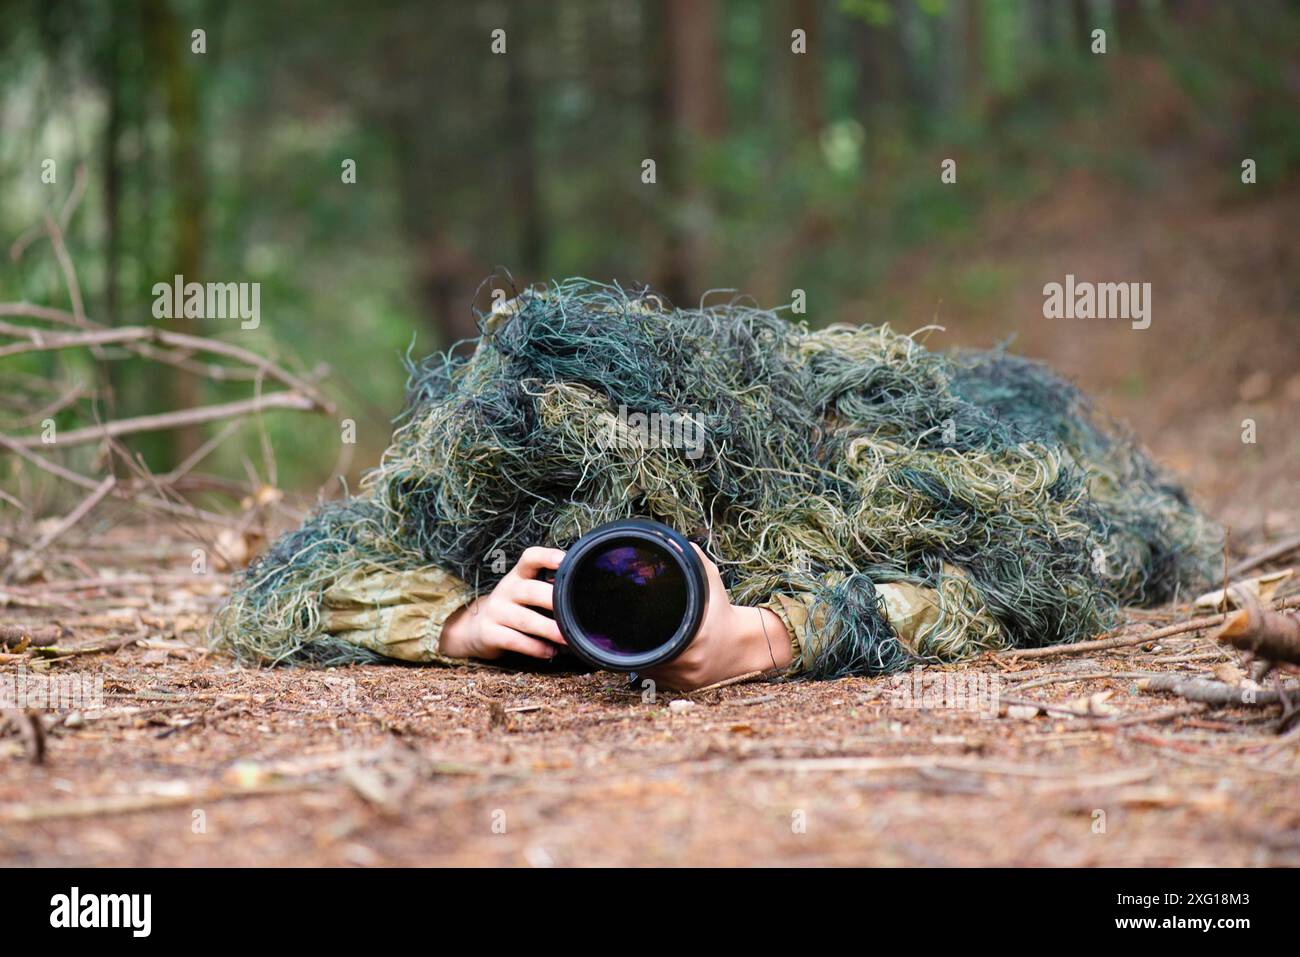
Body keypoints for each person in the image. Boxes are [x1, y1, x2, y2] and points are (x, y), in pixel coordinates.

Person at [212, 280, 1221, 688]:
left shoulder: (822, 474)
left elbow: (1031, 571)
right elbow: (308, 572)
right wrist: (457, 621)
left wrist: (770, 636)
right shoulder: (495, 477)